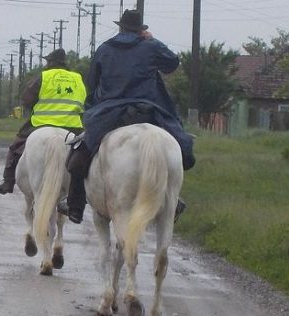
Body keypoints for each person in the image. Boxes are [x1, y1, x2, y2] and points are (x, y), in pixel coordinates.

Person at [57, 9, 196, 224]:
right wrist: (153, 39)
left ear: (120, 27)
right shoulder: (150, 46)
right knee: (182, 148)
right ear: (141, 30)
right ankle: (172, 200)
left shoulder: (104, 49)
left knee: (79, 154)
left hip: (110, 112)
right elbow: (172, 63)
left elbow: (92, 84)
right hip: (149, 110)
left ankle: (75, 205)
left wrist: (92, 107)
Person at [0, 48, 88, 194]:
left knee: (16, 145)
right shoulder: (77, 78)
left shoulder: (44, 76)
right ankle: (82, 192)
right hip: (72, 125)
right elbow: (83, 100)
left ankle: (7, 181)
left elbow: (26, 99)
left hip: (42, 123)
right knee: (87, 153)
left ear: (50, 62)